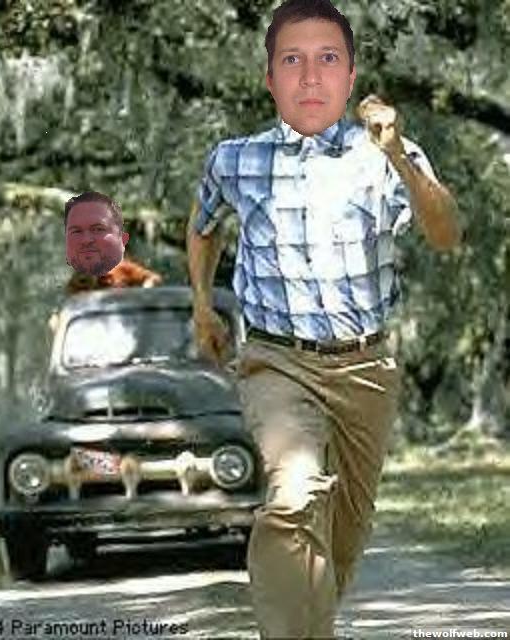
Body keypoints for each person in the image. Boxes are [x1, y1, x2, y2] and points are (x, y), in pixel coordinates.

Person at [186, 0, 461, 638]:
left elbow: (447, 234)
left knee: (341, 539)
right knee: (295, 496)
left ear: (350, 75)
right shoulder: (235, 160)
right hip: (277, 362)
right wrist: (202, 304)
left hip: (367, 369)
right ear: (270, 78)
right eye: (293, 61)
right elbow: (203, 227)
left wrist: (398, 156)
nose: (310, 77)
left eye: (327, 60)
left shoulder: (388, 155)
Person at [65, 190, 130, 277]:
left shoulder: (144, 283)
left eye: (98, 229)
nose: (86, 240)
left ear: (123, 239)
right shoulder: (54, 282)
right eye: (76, 231)